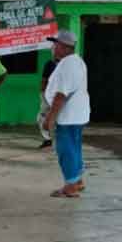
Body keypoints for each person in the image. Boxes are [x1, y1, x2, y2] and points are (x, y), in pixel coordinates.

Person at [43, 30, 90, 198]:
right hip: (78, 115)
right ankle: (77, 181)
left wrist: (50, 117)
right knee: (74, 147)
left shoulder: (67, 64)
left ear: (64, 47)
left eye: (55, 44)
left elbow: (61, 94)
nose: (52, 47)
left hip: (68, 116)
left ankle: (70, 186)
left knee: (65, 149)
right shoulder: (77, 61)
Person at [37, 56, 59, 149]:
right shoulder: (50, 64)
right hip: (48, 95)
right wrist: (43, 93)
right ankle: (48, 139)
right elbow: (44, 80)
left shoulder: (68, 65)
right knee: (41, 117)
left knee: (59, 118)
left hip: (61, 95)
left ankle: (53, 139)